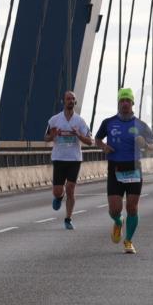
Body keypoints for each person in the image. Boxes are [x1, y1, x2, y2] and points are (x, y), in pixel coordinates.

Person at [94, 88, 153, 254]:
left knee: (132, 208)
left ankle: (128, 240)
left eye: (128, 100)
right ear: (118, 103)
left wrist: (145, 145)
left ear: (133, 103)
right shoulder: (108, 122)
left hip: (134, 169)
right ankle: (118, 221)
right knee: (114, 209)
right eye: (122, 100)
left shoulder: (141, 125)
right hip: (115, 168)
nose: (125, 103)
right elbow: (97, 139)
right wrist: (104, 146)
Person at [44, 91, 92, 229]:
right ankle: (59, 197)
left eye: (73, 99)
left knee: (70, 189)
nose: (70, 101)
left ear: (75, 102)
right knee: (58, 190)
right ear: (63, 101)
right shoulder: (54, 120)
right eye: (68, 99)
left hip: (74, 159)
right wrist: (52, 135)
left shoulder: (80, 121)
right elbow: (46, 138)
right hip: (59, 158)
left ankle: (68, 219)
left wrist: (79, 135)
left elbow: (90, 141)